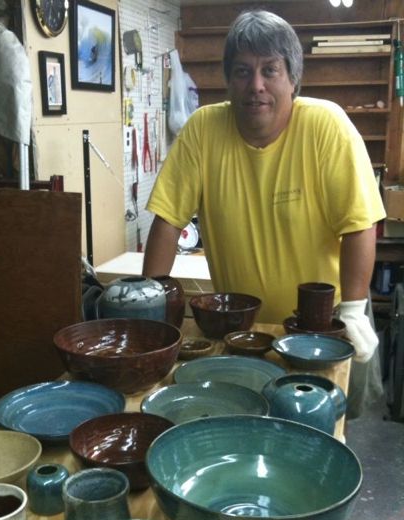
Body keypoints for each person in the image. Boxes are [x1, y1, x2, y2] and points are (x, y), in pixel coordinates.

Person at [142, 9, 386, 413]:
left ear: (293, 79)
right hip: (242, 332)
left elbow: (359, 226)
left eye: (270, 70)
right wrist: (147, 308)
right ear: (229, 80)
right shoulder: (202, 130)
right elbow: (167, 222)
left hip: (326, 328)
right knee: (248, 420)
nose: (256, 85)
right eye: (242, 71)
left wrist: (354, 312)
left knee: (337, 426)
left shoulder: (327, 126)